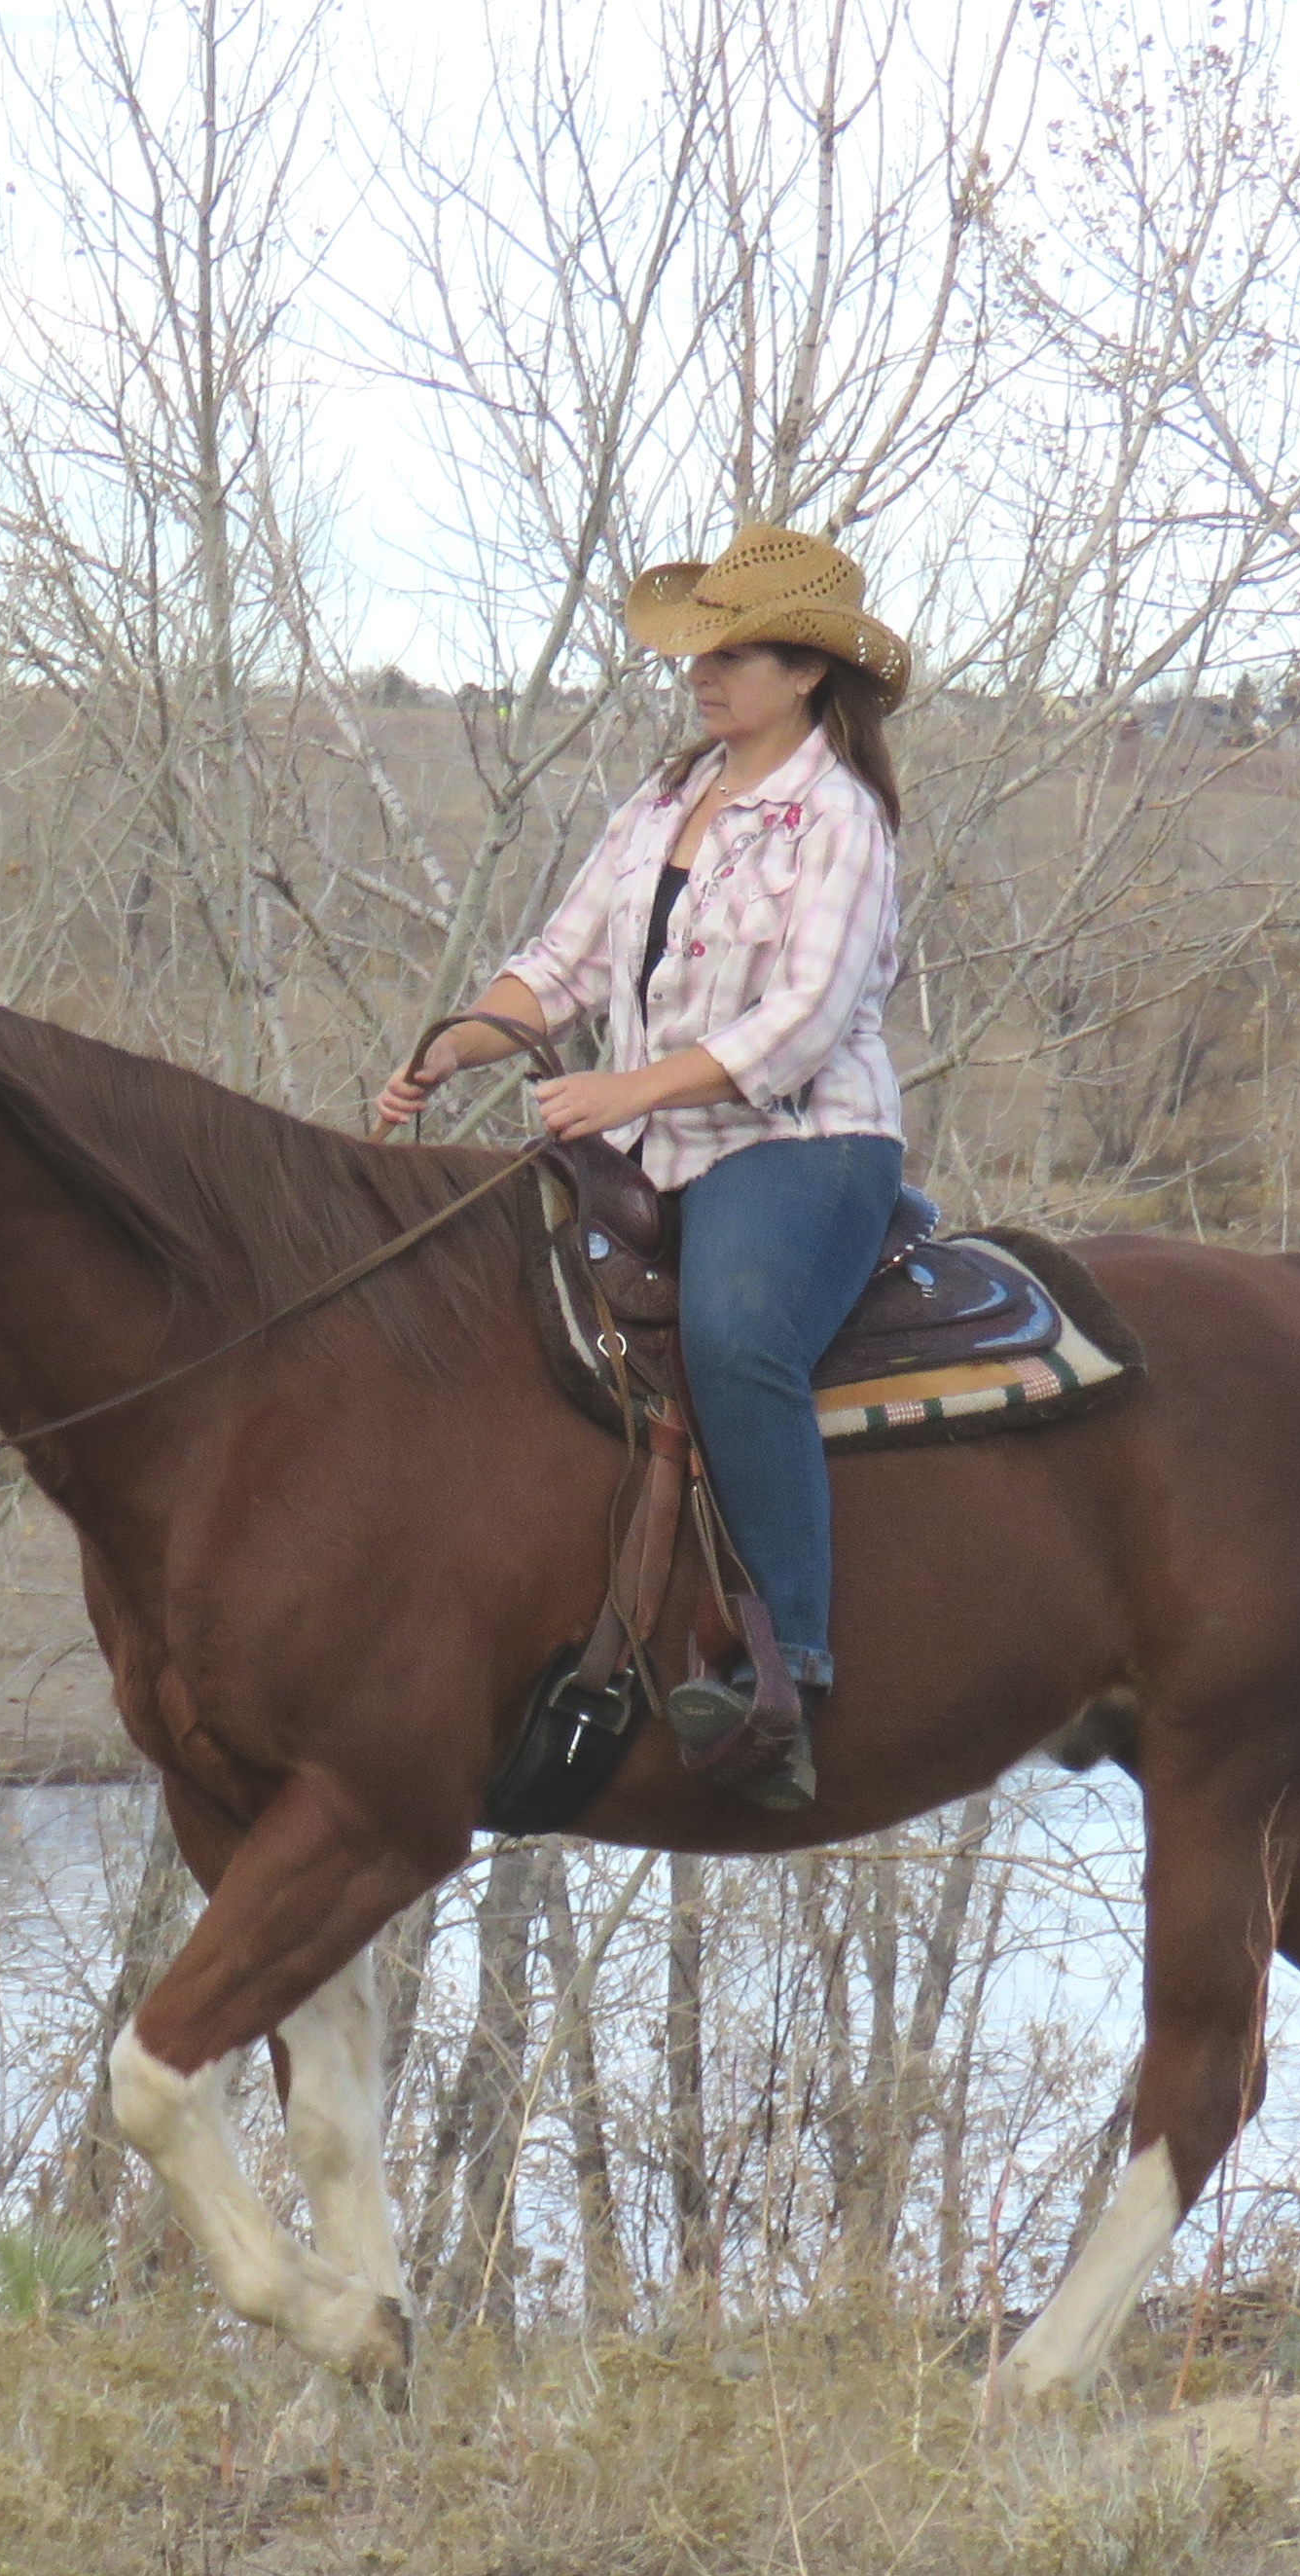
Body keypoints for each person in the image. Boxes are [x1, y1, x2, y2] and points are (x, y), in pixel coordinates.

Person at [377, 526, 910, 1809]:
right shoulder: (661, 805)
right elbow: (559, 963)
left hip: (799, 1145)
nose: (699, 674)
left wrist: (626, 1089)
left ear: (807, 672)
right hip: (644, 1145)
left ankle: (789, 1670)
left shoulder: (840, 822)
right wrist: (458, 1042)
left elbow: (801, 1026)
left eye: (731, 655)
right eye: (696, 652)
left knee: (736, 1338)